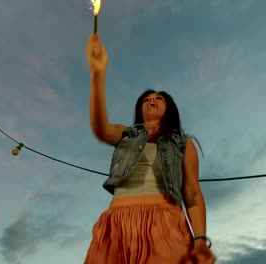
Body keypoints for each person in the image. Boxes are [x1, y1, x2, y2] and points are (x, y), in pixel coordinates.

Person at [84, 33, 216, 264]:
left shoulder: (183, 144)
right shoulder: (125, 135)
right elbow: (100, 128)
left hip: (166, 223)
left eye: (158, 98)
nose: (151, 100)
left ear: (169, 109)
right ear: (140, 109)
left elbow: (192, 194)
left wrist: (200, 240)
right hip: (116, 225)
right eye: (145, 99)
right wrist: (98, 74)